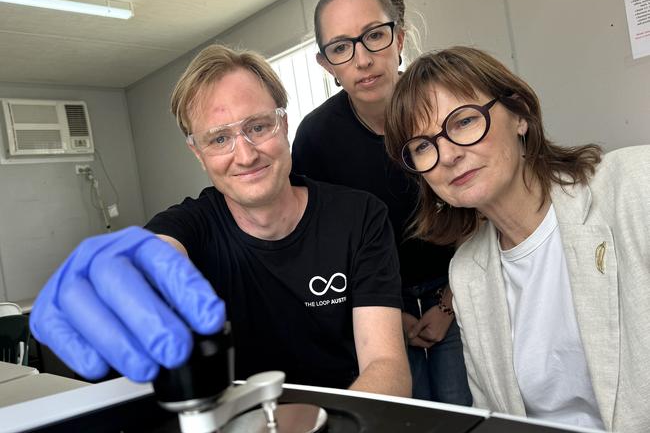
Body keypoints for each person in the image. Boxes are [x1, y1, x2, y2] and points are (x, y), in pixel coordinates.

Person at [30, 44, 411, 397]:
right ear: (197, 153)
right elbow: (156, 255)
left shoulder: (359, 216)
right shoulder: (190, 227)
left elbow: (386, 365)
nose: (245, 155)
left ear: (284, 123)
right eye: (219, 139)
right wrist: (115, 278)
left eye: (258, 127)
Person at [383, 45, 650, 433]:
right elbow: (497, 422)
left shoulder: (634, 186)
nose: (448, 154)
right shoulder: (468, 274)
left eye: (463, 122)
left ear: (520, 114)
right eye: (422, 146)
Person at [291, 0, 471, 404]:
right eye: (340, 47)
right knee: (405, 424)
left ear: (399, 38)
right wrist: (387, 315)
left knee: (463, 411)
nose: (362, 59)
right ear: (326, 63)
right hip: (373, 305)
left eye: (374, 35)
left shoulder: (443, 108)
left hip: (460, 286)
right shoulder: (316, 138)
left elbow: (478, 211)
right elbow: (321, 242)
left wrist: (448, 304)